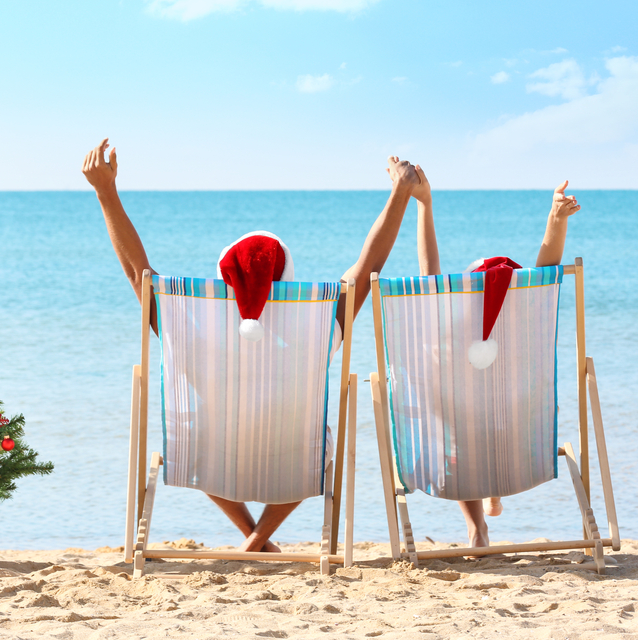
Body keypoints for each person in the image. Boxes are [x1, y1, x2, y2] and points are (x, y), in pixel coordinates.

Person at [83, 138, 425, 552]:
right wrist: (400, 193)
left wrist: (106, 193)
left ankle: (252, 537)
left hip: (210, 457)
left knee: (192, 438)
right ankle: (259, 538)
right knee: (322, 445)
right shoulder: (315, 321)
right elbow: (370, 263)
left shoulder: (187, 319)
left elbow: (139, 274)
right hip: (294, 464)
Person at [409, 168, 581, 549]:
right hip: (520, 442)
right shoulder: (525, 330)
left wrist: (425, 205)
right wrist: (555, 219)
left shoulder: (452, 336)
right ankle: (493, 494)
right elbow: (547, 271)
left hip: (461, 445)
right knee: (480, 414)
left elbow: (429, 274)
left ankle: (477, 529)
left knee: (449, 416)